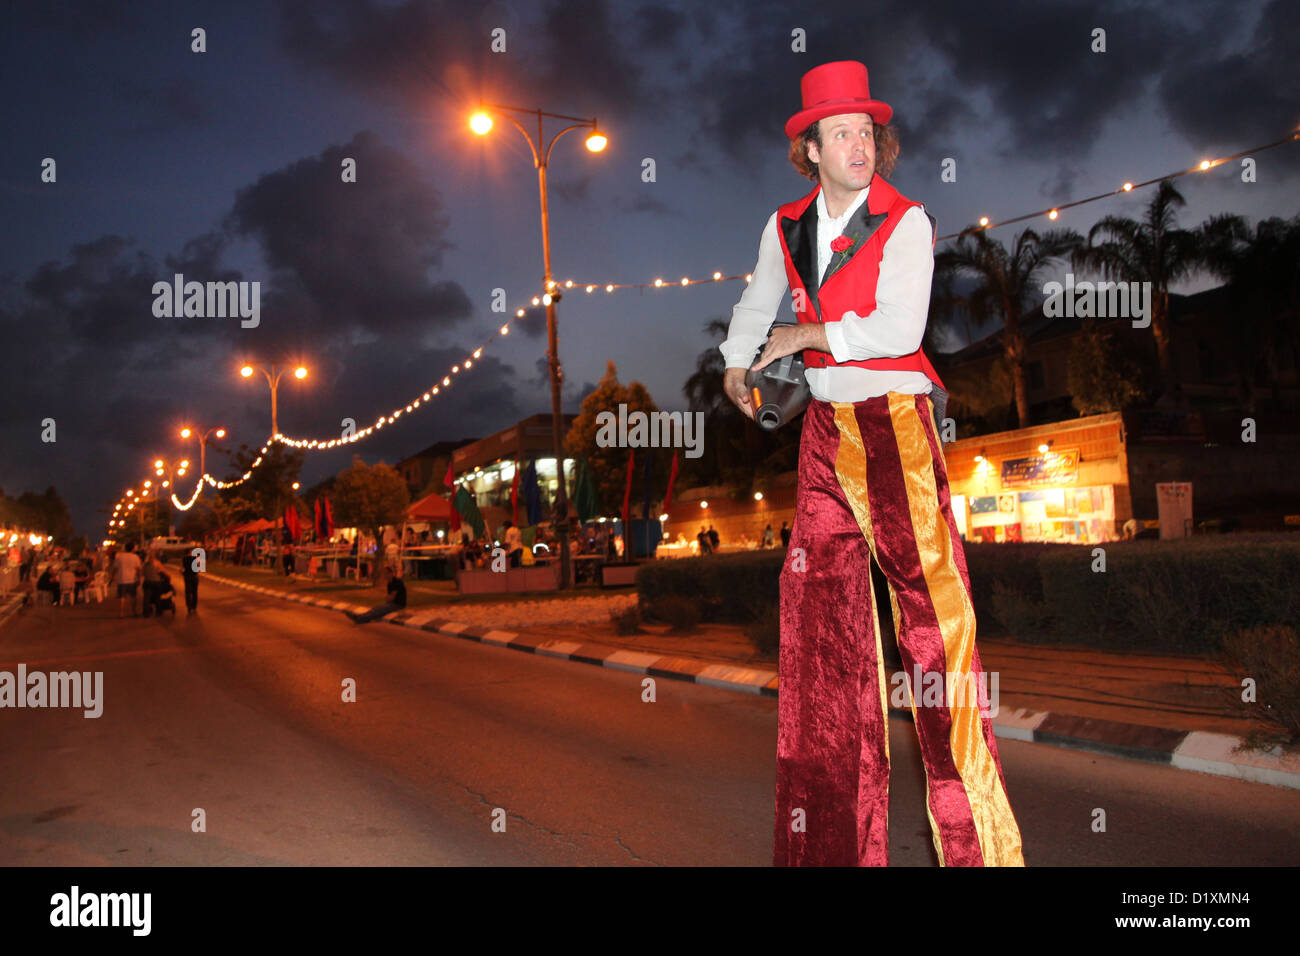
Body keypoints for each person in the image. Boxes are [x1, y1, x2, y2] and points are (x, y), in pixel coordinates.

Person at [720, 61, 1022, 867]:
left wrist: (805, 335)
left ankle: (978, 851)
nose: (861, 145)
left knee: (934, 631)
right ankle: (829, 853)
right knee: (818, 639)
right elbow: (756, 303)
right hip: (824, 429)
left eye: (868, 133)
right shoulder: (784, 225)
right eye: (842, 133)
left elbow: (899, 327)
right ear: (810, 148)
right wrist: (732, 361)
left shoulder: (907, 219)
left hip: (895, 425)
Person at [113, 541, 142, 618]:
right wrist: (139, 579)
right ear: (133, 548)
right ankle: (134, 612)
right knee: (133, 596)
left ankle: (121, 613)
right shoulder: (135, 557)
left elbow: (115, 568)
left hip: (121, 579)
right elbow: (139, 569)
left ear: (125, 548)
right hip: (132, 579)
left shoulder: (119, 557)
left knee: (122, 597)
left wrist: (112, 577)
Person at [181, 547, 200, 613]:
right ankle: (194, 606)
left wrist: (182, 573)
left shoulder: (184, 559)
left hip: (187, 576)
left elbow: (182, 568)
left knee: (188, 592)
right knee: (194, 592)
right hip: (194, 576)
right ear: (190, 552)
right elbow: (198, 566)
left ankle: (188, 606)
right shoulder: (194, 558)